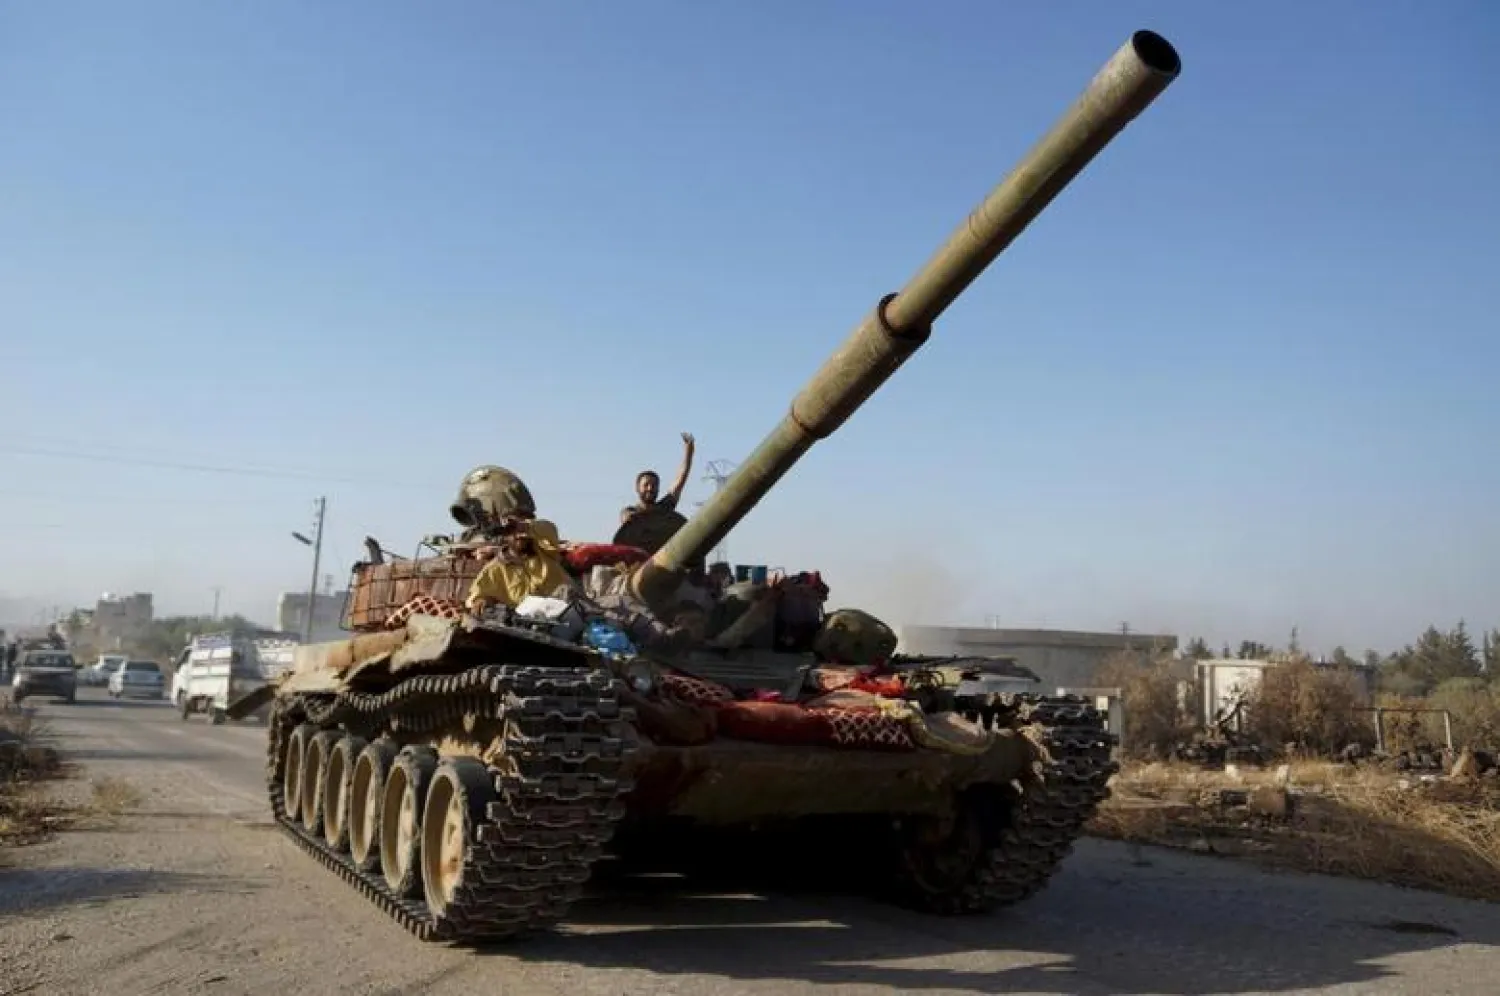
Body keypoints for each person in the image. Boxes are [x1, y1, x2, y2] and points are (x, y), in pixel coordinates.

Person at [621, 432, 695, 525]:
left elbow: (679, 481)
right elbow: (625, 516)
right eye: (646, 485)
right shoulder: (631, 511)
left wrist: (688, 453)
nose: (650, 488)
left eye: (654, 485)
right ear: (637, 488)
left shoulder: (664, 508)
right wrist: (629, 517)